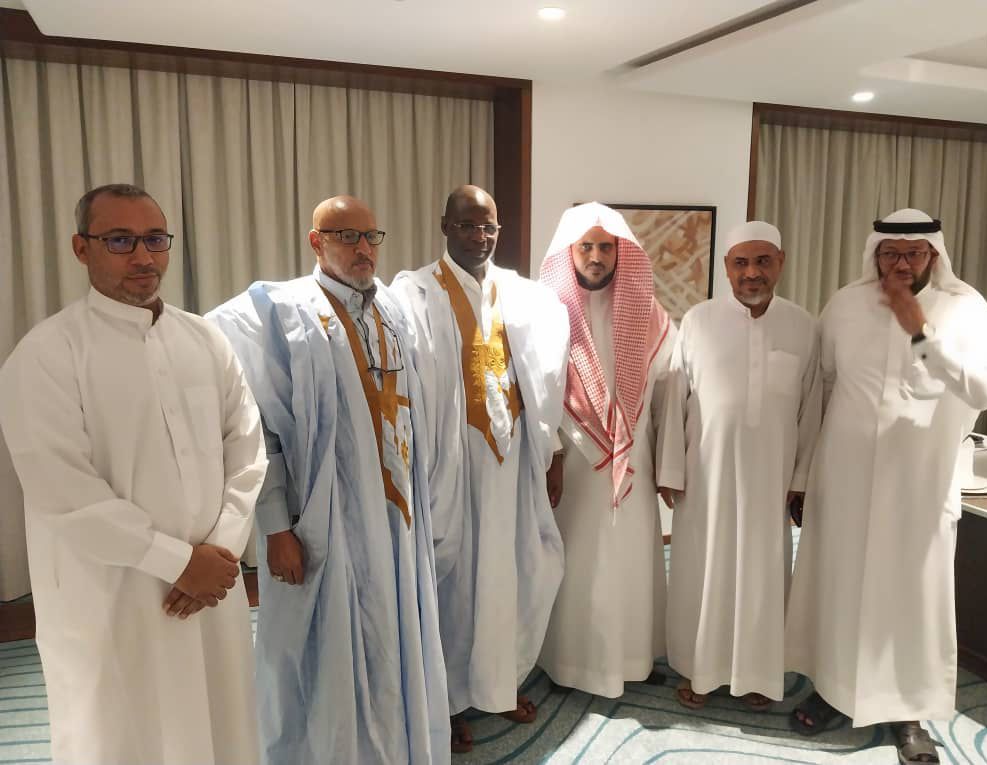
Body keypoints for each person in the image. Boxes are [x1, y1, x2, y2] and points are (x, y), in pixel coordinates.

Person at [0, 183, 266, 765]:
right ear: (81, 248)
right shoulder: (46, 354)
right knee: (123, 734)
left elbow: (246, 447)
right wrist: (178, 562)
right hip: (113, 591)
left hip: (210, 584)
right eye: (120, 240)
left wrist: (219, 552)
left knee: (222, 724)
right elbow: (62, 489)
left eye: (154, 239)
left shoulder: (205, 339)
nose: (143, 256)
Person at [206, 196, 449, 765]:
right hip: (323, 521)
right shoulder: (279, 314)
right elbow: (257, 431)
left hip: (396, 516)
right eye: (346, 236)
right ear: (316, 242)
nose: (363, 249)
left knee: (396, 635)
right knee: (324, 651)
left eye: (371, 237)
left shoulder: (393, 311)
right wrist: (275, 527)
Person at [785, 209, 987, 765]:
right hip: (845, 479)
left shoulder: (967, 309)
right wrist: (803, 476)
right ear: (875, 254)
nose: (901, 263)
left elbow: (985, 390)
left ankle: (907, 712)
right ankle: (833, 689)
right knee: (839, 585)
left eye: (913, 252)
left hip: (918, 486)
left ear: (935, 254)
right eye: (890, 253)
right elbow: (821, 391)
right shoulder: (844, 306)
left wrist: (920, 332)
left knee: (911, 599)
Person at [391, 185, 568, 753]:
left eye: (488, 225)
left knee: (509, 572)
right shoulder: (411, 293)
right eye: (468, 225)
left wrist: (553, 454)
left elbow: (547, 378)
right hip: (447, 462)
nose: (479, 236)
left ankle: (498, 683)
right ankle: (444, 702)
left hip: (510, 460)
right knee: (449, 581)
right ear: (445, 226)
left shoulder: (526, 296)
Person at [664, 221, 821, 710]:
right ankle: (700, 670)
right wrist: (670, 470)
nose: (752, 273)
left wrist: (801, 480)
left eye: (763, 261)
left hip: (771, 480)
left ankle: (757, 676)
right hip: (705, 476)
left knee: (763, 577)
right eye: (741, 263)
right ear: (727, 267)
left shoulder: (803, 326)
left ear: (781, 262)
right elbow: (674, 399)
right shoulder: (698, 321)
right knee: (702, 571)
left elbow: (811, 409)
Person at [535, 202, 681, 698]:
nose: (596, 257)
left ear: (621, 252)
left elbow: (667, 392)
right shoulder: (546, 313)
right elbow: (535, 390)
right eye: (586, 247)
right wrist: (552, 455)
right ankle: (569, 663)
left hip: (633, 458)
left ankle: (632, 658)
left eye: (605, 247)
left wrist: (666, 464)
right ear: (569, 252)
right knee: (576, 560)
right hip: (572, 462)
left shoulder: (648, 312)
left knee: (631, 559)